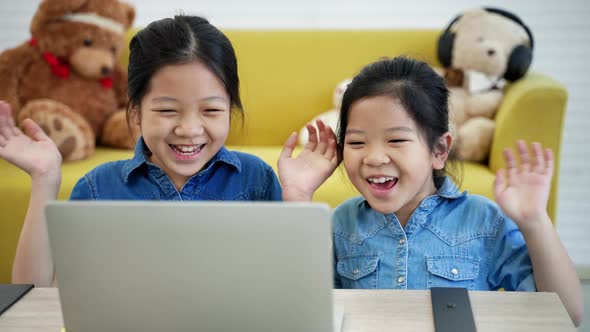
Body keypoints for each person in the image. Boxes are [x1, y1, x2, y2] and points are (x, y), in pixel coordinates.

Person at [0, 15, 337, 287]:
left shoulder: (256, 178)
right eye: (167, 110)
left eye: (210, 111)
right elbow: (36, 293)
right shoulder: (98, 187)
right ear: (135, 113)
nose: (189, 129)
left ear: (230, 110)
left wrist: (298, 197)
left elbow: (300, 288)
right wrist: (45, 180)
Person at [286, 56, 582, 326]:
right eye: (357, 143)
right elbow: (299, 311)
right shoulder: (342, 223)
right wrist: (298, 197)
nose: (373, 158)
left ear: (439, 150)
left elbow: (568, 313)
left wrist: (535, 222)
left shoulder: (483, 220)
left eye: (396, 141)